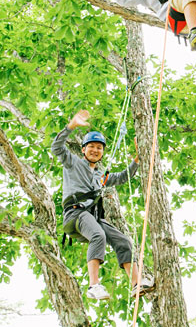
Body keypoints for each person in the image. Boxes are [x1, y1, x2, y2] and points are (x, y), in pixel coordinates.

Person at [51, 110, 154, 300]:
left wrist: (137, 159)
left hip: (92, 218)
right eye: (91, 146)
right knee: (97, 235)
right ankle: (93, 286)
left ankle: (136, 283)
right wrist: (71, 127)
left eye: (99, 147)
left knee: (124, 241)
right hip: (75, 215)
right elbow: (57, 147)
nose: (95, 150)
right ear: (83, 149)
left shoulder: (101, 176)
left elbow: (124, 176)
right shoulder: (72, 163)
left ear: (102, 152)